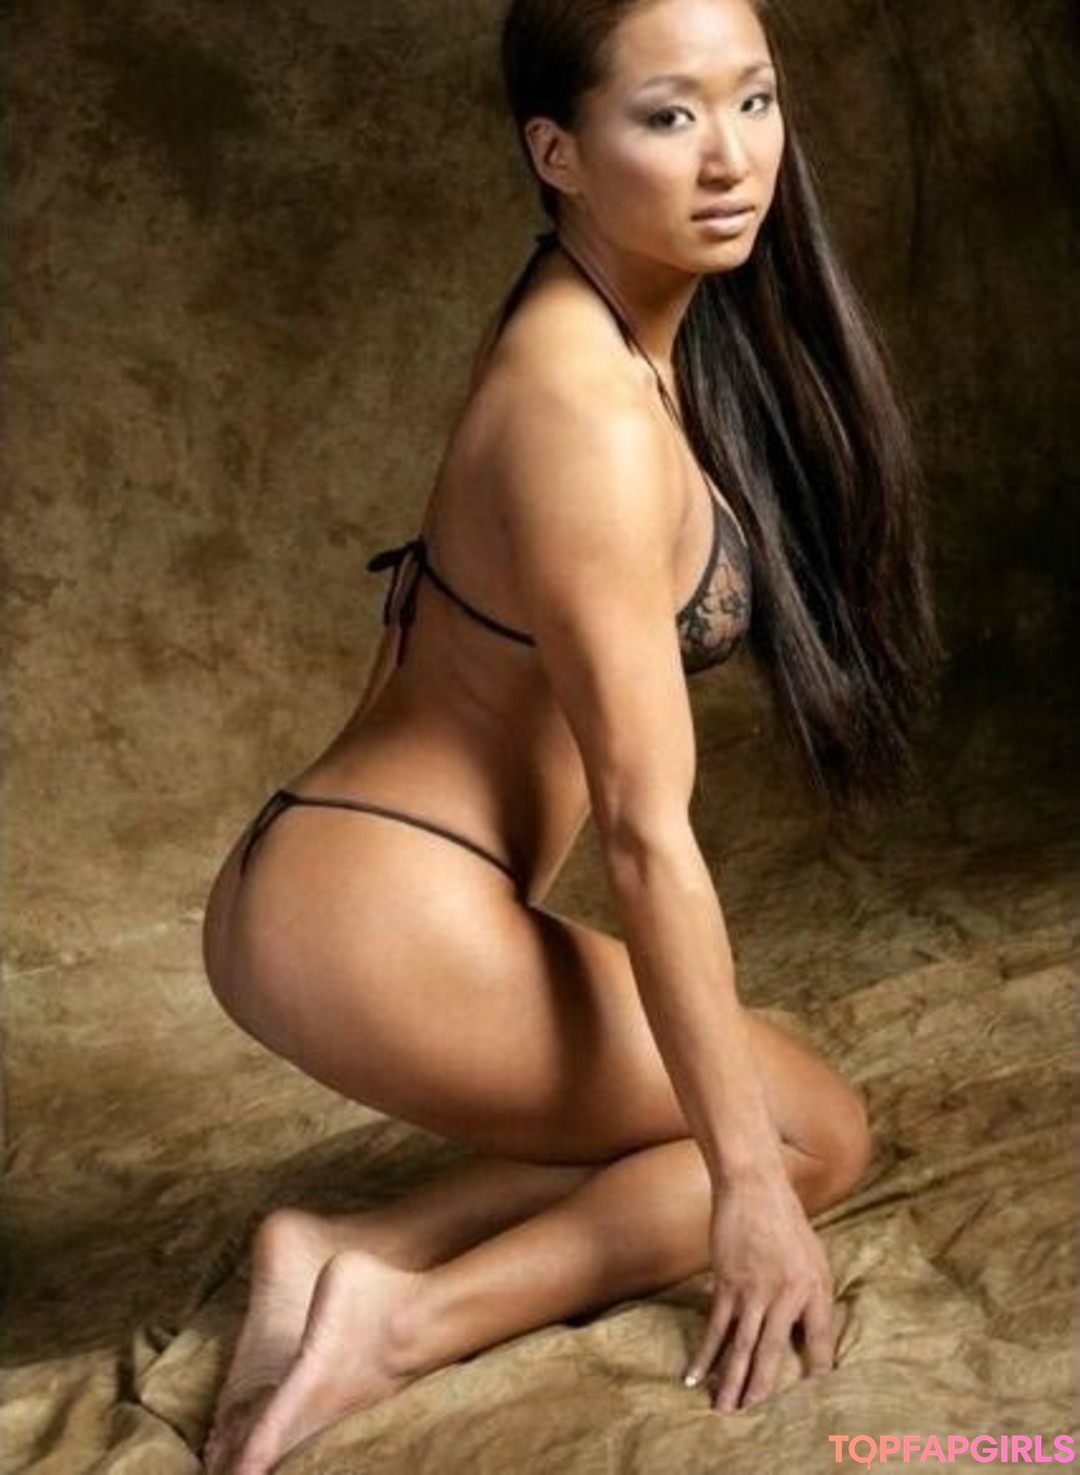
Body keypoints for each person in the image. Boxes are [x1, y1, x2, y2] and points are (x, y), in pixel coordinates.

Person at [200, 0, 942, 1469]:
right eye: (667, 115)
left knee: (778, 1121)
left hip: (354, 888)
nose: (730, 158)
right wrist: (742, 1192)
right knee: (804, 1141)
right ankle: (402, 1320)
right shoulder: (583, 411)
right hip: (373, 917)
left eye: (754, 100)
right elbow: (645, 836)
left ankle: (347, 1248)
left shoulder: (607, 331)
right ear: (558, 153)